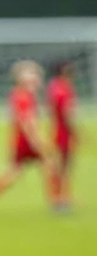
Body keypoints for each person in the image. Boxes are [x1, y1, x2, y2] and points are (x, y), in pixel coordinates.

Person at [0, 60, 55, 214]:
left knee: (47, 168)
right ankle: (58, 202)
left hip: (24, 140)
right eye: (33, 75)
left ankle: (57, 201)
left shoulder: (25, 95)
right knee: (24, 171)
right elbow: (26, 121)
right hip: (26, 141)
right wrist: (37, 141)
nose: (37, 79)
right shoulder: (22, 96)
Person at [46, 61, 77, 211]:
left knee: (58, 167)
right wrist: (75, 132)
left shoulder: (53, 86)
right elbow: (67, 114)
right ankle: (61, 200)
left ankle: (61, 198)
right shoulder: (64, 89)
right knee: (62, 167)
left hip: (54, 129)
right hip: (63, 132)